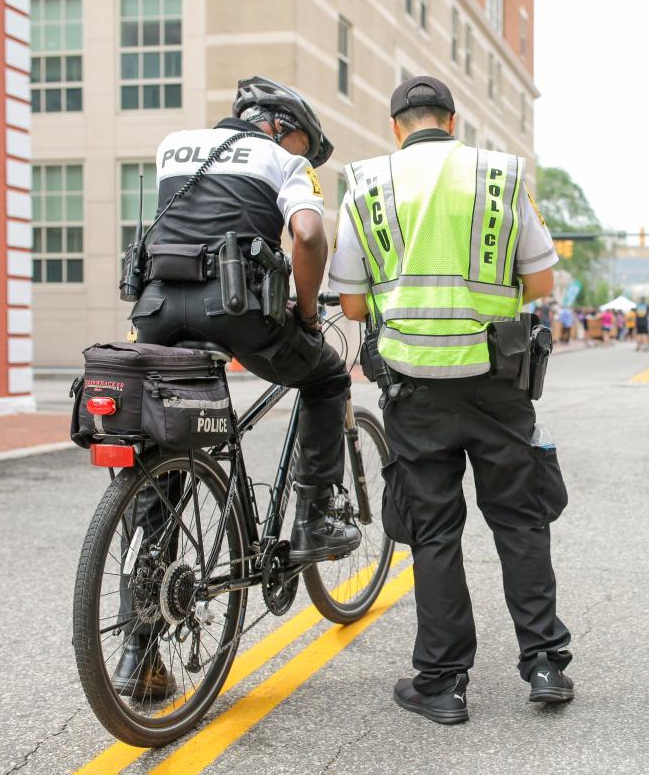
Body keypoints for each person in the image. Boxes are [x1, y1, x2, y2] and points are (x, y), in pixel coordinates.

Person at [330, 76, 574, 724]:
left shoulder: (368, 184)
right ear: (453, 120)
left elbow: (352, 303)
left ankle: (442, 683)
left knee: (434, 533)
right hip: (497, 380)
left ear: (396, 126)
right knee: (520, 521)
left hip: (413, 387)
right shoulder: (499, 177)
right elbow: (541, 280)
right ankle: (544, 663)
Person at [116, 76, 358, 699]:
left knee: (159, 463)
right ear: (281, 125)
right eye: (306, 140)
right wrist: (307, 315)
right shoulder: (284, 159)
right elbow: (307, 235)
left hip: (158, 310)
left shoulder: (175, 144)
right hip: (236, 310)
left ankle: (139, 658)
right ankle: (314, 519)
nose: (307, 152)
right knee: (327, 374)